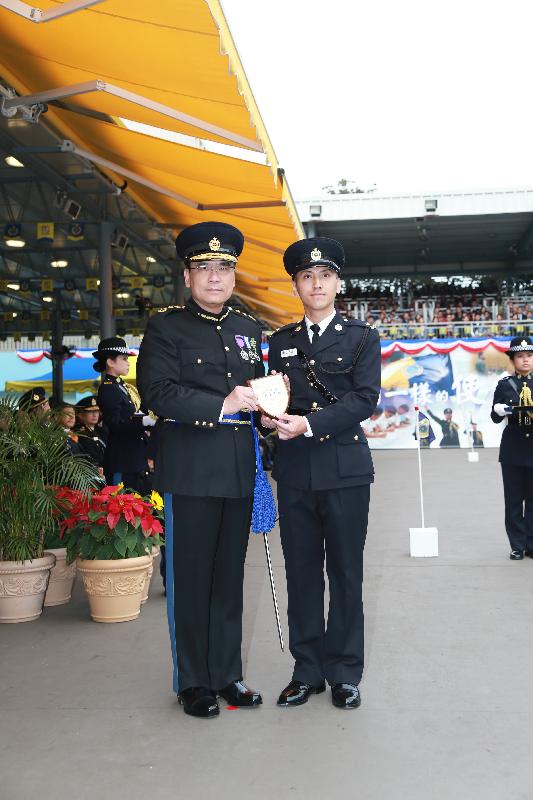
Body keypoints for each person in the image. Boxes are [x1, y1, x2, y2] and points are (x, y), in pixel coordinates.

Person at [137, 221, 265, 719]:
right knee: (190, 580)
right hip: (190, 470)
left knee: (229, 578)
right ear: (187, 275)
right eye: (204, 267)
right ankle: (192, 682)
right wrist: (223, 403)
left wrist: (270, 407)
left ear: (234, 274)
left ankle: (227, 675)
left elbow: (256, 392)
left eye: (224, 267)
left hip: (236, 469)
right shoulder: (166, 326)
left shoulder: (248, 327)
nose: (215, 276)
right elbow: (157, 392)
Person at [265, 237, 381, 710]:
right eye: (306, 277)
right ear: (295, 285)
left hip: (346, 469)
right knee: (302, 573)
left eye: (325, 276)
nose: (316, 284)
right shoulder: (279, 343)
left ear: (338, 282)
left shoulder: (362, 337)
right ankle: (306, 670)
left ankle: (345, 672)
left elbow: (364, 399)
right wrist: (269, 418)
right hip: (294, 473)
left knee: (347, 574)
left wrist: (308, 423)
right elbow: (271, 398)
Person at [93, 337, 154, 492]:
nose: (128, 362)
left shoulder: (121, 386)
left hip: (133, 458)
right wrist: (145, 421)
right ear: (110, 362)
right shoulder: (108, 388)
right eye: (124, 359)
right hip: (122, 460)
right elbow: (116, 423)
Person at [491, 336, 533, 560]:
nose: (525, 360)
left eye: (529, 356)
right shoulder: (505, 384)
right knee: (514, 500)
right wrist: (502, 410)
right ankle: (517, 545)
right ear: (513, 359)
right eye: (520, 356)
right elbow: (494, 417)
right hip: (513, 450)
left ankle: (532, 544)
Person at [74, 395, 106, 476]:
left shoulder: (99, 431)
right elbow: (92, 456)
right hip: (93, 473)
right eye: (90, 412)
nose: (95, 415)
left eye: (96, 411)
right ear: (80, 415)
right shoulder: (81, 434)